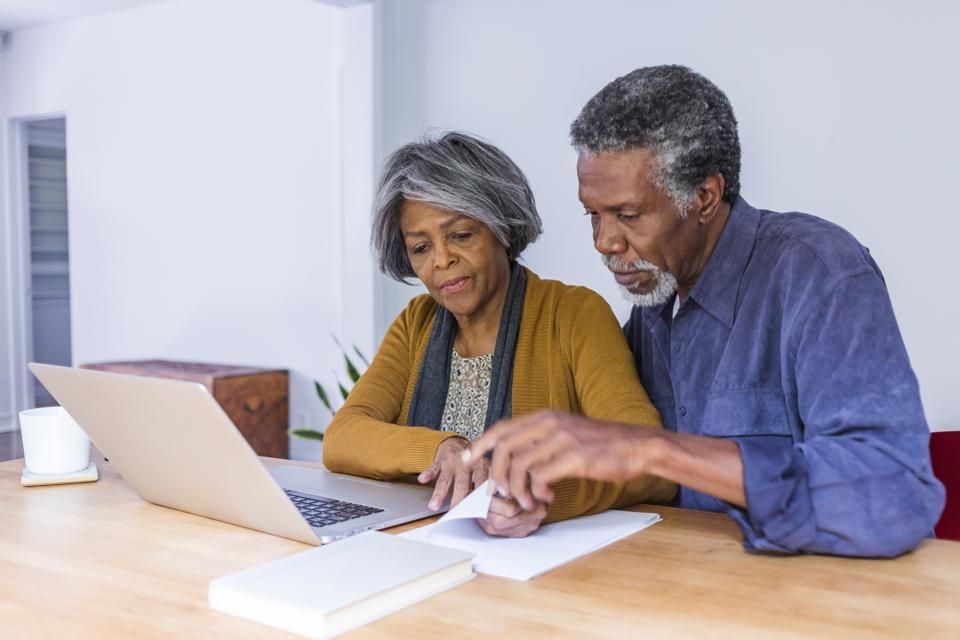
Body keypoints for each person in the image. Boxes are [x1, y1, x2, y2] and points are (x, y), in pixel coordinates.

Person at [465, 65, 945, 556]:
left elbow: (892, 494)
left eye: (628, 215)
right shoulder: (653, 306)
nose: (604, 242)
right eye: (594, 213)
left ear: (704, 197)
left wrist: (652, 450)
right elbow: (625, 472)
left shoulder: (820, 273)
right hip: (697, 591)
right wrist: (541, 494)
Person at [322, 131, 675, 537]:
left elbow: (648, 459)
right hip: (426, 552)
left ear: (502, 228)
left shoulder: (575, 315)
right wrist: (441, 448)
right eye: (421, 248)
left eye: (461, 235)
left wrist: (539, 497)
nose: (442, 260)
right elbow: (342, 437)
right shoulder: (415, 323)